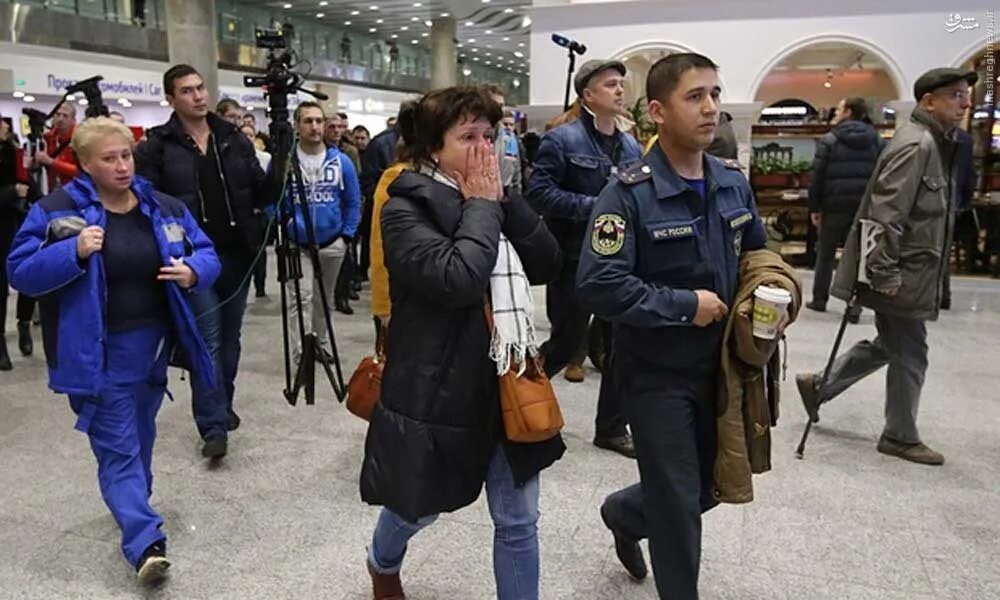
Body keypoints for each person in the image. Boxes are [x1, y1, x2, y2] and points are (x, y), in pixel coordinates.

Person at [360, 86, 564, 600]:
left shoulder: (493, 197)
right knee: (419, 507)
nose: (483, 148)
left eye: (489, 136)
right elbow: (458, 279)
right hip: (439, 385)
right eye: (468, 136)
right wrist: (480, 204)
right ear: (434, 147)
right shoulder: (403, 204)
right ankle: (382, 560)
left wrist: (504, 201)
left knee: (518, 519)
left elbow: (546, 263)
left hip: (508, 377)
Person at [577, 53, 768, 598]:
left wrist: (773, 294)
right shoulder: (627, 194)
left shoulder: (732, 182)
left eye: (715, 93)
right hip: (654, 373)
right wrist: (685, 305)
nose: (711, 108)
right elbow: (597, 284)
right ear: (658, 111)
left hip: (721, 369)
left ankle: (624, 511)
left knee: (709, 485)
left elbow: (757, 254)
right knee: (680, 502)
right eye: (695, 96)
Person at [6, 117, 220, 584]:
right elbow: (19, 271)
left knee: (139, 438)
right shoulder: (57, 209)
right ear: (84, 163)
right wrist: (74, 252)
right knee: (118, 447)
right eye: (109, 158)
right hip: (94, 353)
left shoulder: (159, 206)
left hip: (153, 349)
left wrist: (192, 272)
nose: (122, 166)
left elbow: (207, 251)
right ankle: (145, 541)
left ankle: (130, 504)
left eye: (126, 155)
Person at [796, 67, 976, 467]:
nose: (964, 103)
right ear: (929, 101)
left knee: (890, 344)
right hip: (899, 273)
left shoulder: (936, 143)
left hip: (910, 270)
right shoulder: (918, 145)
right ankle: (900, 435)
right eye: (955, 95)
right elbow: (884, 215)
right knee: (912, 351)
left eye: (965, 95)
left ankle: (821, 386)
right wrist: (884, 273)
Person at [136, 64, 269, 460]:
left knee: (230, 339)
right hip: (193, 260)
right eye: (187, 91)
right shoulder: (157, 146)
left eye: (200, 88)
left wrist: (279, 160)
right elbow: (148, 202)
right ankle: (212, 425)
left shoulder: (231, 137)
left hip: (237, 252)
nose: (198, 96)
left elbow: (260, 191)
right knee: (207, 339)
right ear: (171, 98)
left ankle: (222, 403)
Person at [527, 58, 642, 457]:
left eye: (620, 84)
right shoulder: (562, 140)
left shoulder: (631, 145)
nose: (619, 90)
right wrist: (596, 207)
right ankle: (514, 402)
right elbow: (538, 194)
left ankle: (611, 427)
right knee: (566, 341)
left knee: (620, 346)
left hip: (621, 263)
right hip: (575, 258)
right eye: (610, 84)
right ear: (588, 94)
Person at [276, 101, 360, 365]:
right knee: (299, 299)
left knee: (324, 299)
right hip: (297, 243)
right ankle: (301, 353)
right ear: (297, 126)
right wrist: (285, 223)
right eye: (307, 121)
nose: (314, 126)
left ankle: (321, 344)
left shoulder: (341, 161)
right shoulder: (286, 161)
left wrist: (346, 235)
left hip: (332, 242)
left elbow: (353, 201)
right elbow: (271, 199)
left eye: (318, 121)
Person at [806, 97, 884, 322]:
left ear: (849, 112)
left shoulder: (830, 140)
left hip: (834, 206)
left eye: (839, 108)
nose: (835, 112)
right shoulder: (876, 141)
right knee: (859, 257)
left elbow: (817, 177)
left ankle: (820, 300)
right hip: (863, 208)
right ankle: (854, 306)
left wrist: (815, 206)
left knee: (825, 254)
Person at [0, 117, 34, 371]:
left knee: (28, 278)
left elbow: (29, 185)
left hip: (19, 221)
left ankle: (24, 324)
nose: (4, 126)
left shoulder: (16, 152)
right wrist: (12, 192)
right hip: (3, 223)